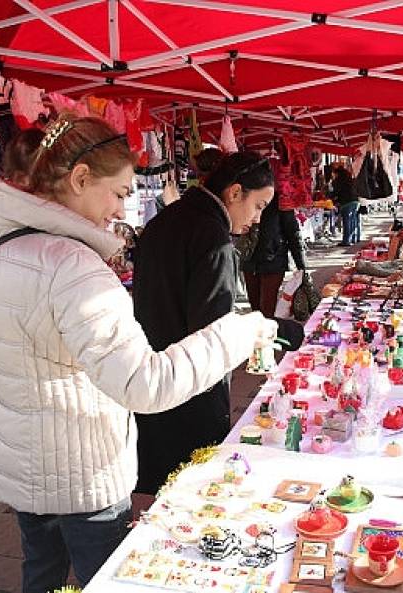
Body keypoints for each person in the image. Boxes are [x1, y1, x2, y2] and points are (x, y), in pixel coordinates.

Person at [0, 117, 275, 593]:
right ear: (80, 178)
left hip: (15, 453)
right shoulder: (72, 267)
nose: (120, 210)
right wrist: (235, 336)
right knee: (107, 579)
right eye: (119, 193)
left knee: (40, 569)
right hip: (80, 468)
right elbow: (145, 384)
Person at [131, 151, 276, 514]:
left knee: (159, 473)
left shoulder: (171, 218)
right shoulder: (213, 238)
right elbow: (213, 329)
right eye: (258, 206)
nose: (257, 219)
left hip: (153, 363)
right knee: (192, 481)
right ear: (235, 192)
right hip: (191, 379)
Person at [242, 191, 308, 316]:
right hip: (249, 259)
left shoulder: (281, 200)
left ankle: (271, 334)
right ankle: (259, 334)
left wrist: (301, 265)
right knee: (255, 309)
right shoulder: (246, 197)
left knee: (267, 308)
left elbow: (293, 233)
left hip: (273, 259)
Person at [330, 165, 359, 246]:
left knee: (346, 222)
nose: (334, 175)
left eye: (334, 174)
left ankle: (346, 241)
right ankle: (354, 239)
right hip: (355, 201)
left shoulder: (338, 181)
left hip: (346, 202)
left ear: (337, 174)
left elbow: (336, 192)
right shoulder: (350, 179)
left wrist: (331, 197)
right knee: (353, 220)